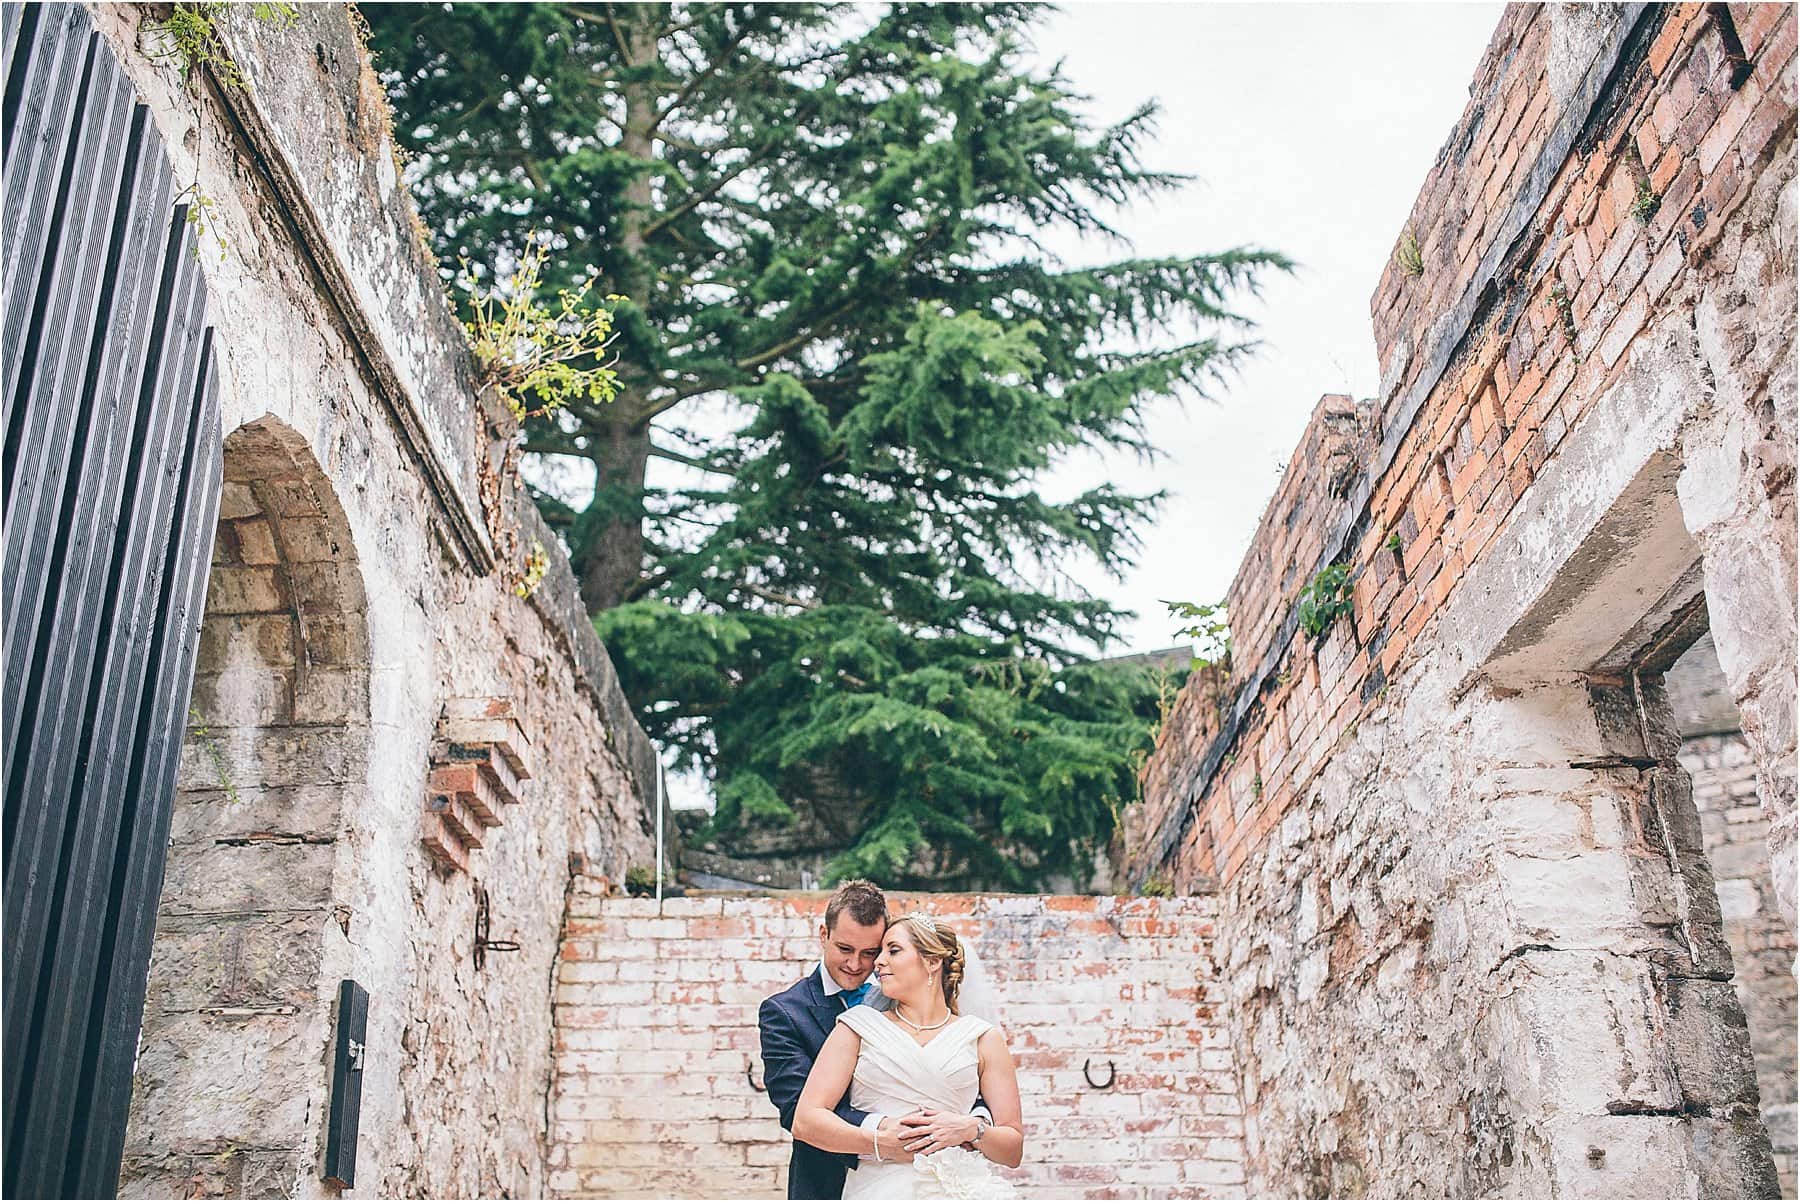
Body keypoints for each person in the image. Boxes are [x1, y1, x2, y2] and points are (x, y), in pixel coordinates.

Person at [793, 914, 1024, 1199]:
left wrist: (970, 1129)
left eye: (893, 950)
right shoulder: (856, 1027)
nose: (877, 962)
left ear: (931, 961)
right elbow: (805, 1121)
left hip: (958, 1190)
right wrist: (880, 1142)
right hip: (878, 1189)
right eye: (880, 952)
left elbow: (1012, 1149)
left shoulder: (982, 1038)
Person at [760, 880, 922, 1199]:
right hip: (825, 1182)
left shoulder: (903, 999)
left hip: (910, 1182)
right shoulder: (784, 1012)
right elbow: (796, 1111)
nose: (855, 965)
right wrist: (884, 1130)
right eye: (845, 949)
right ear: (824, 936)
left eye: (869, 953)